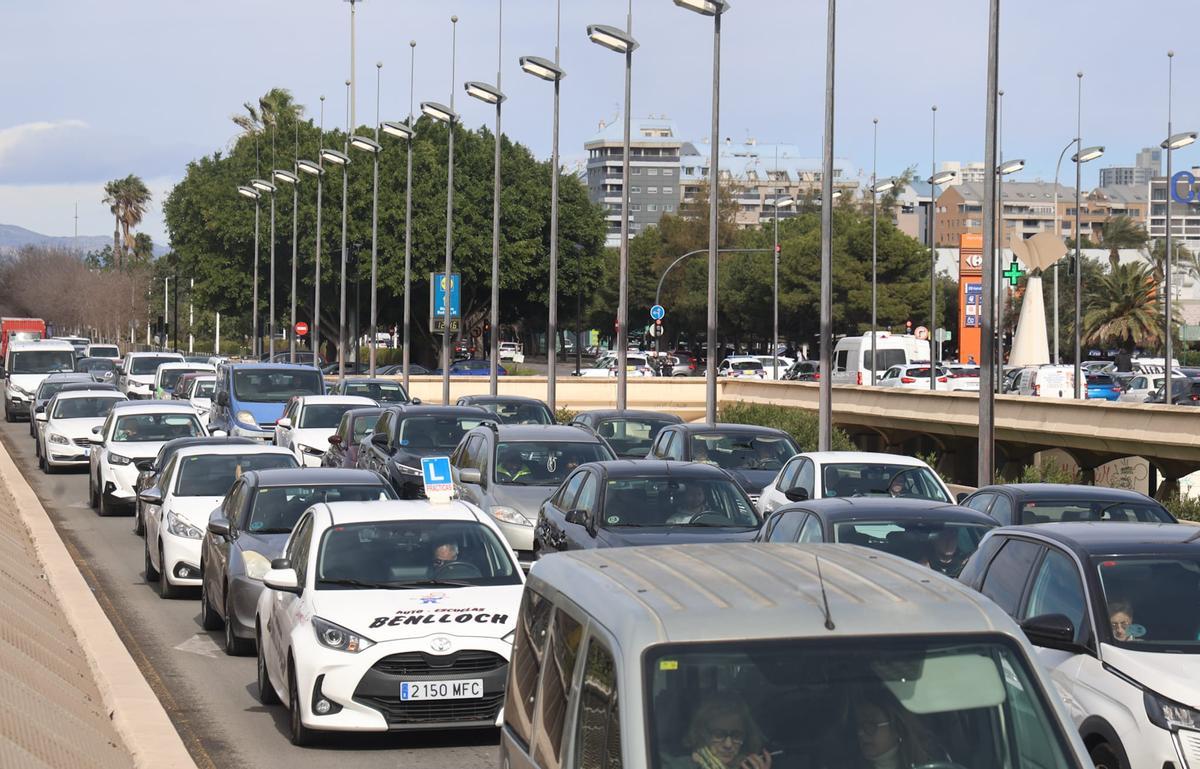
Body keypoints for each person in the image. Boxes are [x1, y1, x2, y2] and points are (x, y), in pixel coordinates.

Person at [668, 696, 773, 769]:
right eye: (718, 735)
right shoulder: (681, 766)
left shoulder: (750, 766)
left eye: (736, 735)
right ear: (702, 734)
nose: (728, 745)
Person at [850, 686, 937, 769]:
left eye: (870, 724)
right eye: (859, 724)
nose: (860, 733)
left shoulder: (931, 764)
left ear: (896, 727)